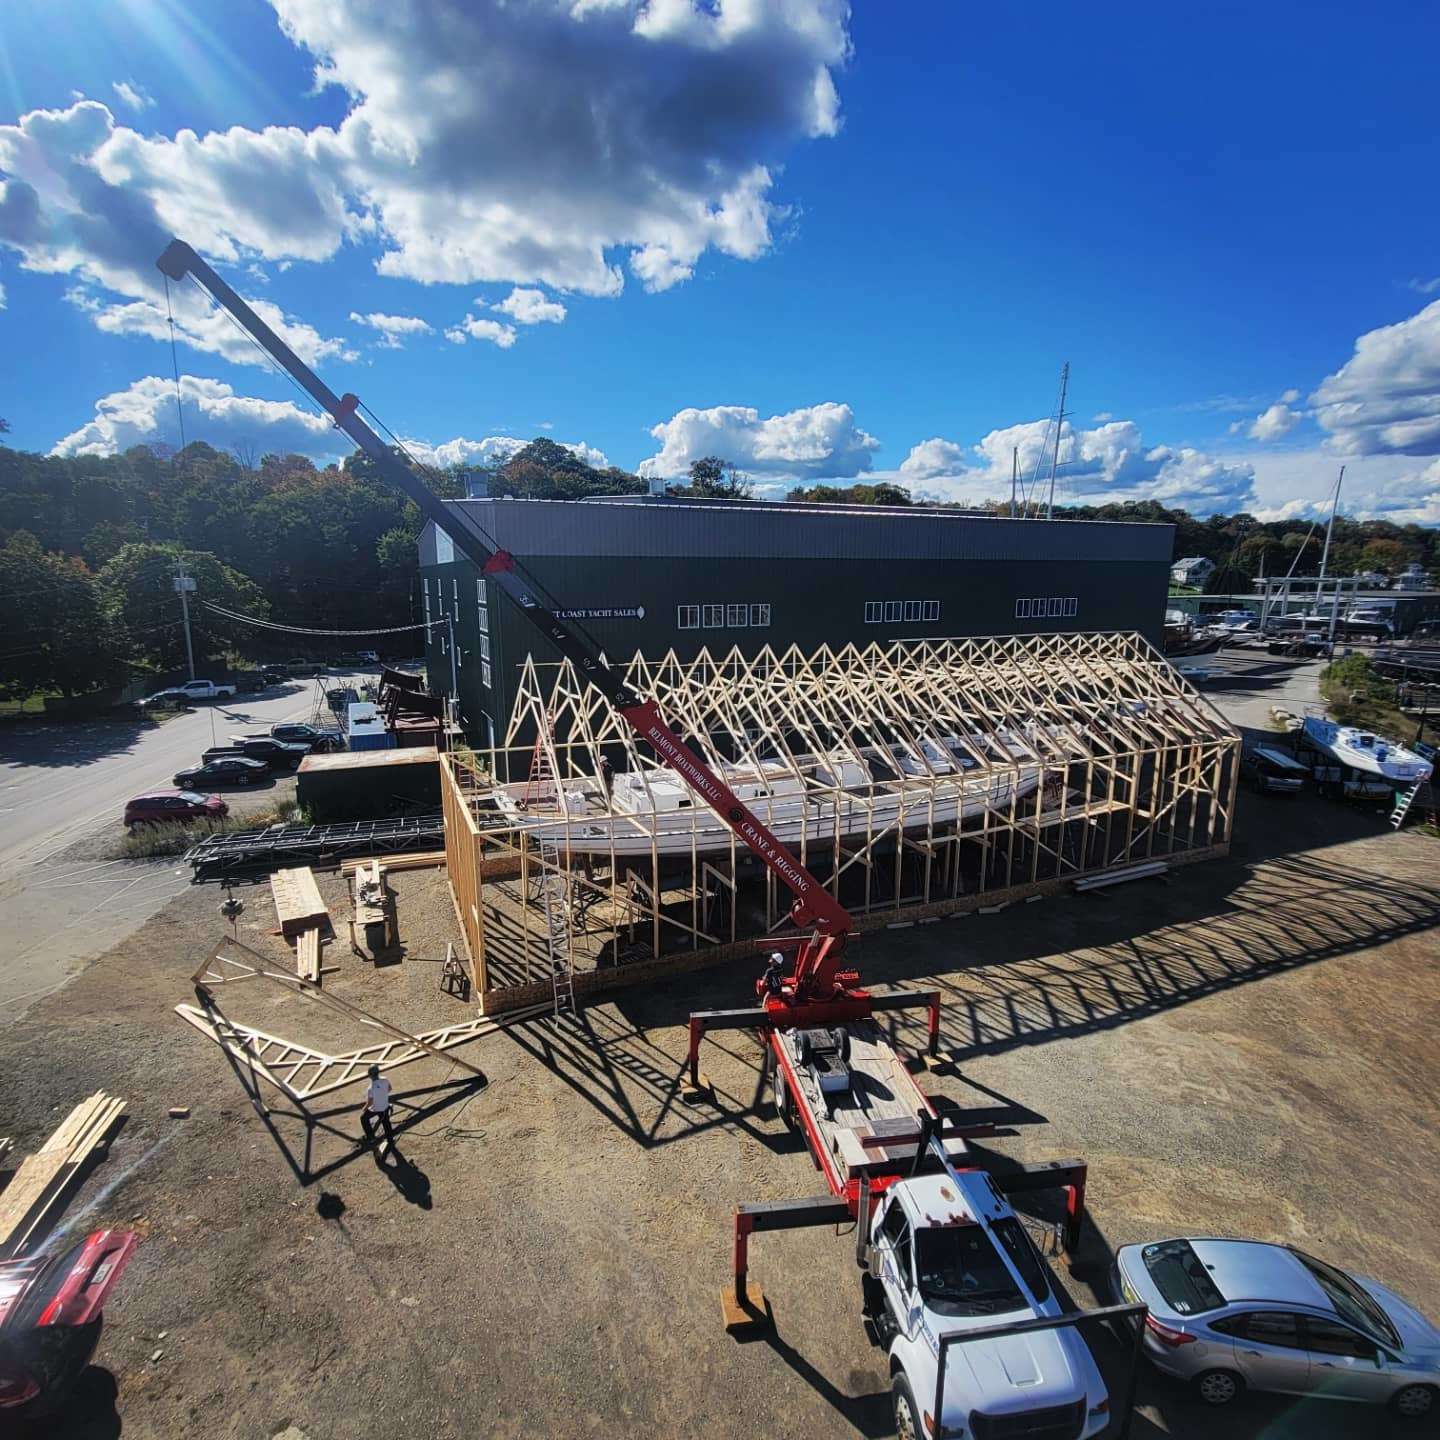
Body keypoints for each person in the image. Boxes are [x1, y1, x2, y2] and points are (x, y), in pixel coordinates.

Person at [361, 1064, 396, 1154]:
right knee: (386, 1123)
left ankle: (370, 1136)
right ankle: (390, 1139)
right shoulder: (385, 1079)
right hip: (385, 1106)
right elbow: (390, 1089)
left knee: (363, 1118)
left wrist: (364, 1108)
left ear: (370, 1075)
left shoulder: (370, 1088)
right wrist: (382, 1094)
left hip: (377, 1108)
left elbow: (370, 1102)